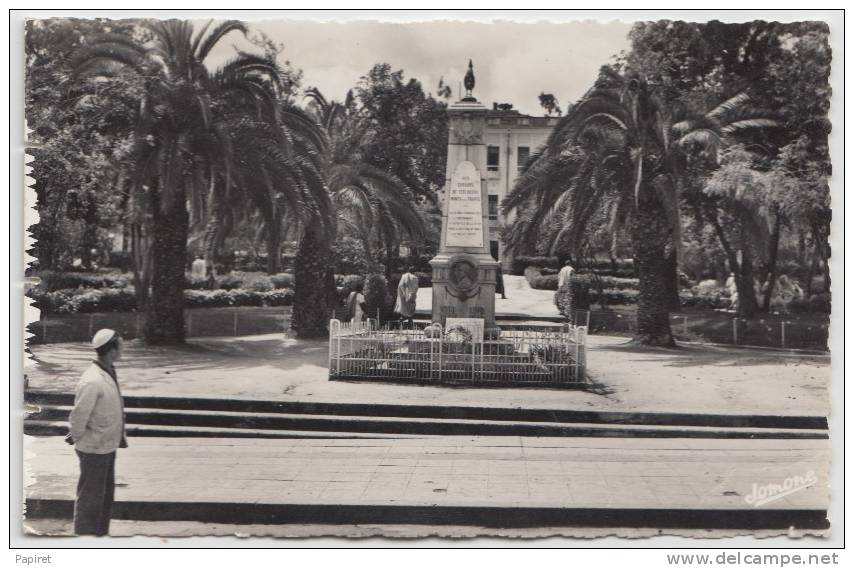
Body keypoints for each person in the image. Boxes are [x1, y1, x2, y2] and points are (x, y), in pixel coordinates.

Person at [67, 329, 128, 536]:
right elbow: (79, 414)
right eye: (120, 347)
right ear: (111, 351)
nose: (123, 350)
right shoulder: (92, 380)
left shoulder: (108, 371)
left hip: (107, 445)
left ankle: (100, 536)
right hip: (93, 447)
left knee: (104, 497)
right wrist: (76, 436)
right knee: (91, 498)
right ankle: (85, 537)